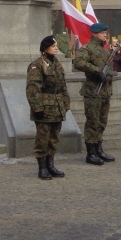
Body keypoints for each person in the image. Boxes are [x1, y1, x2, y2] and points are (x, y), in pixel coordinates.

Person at [26, 35, 71, 180]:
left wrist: (66, 102)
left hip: (57, 106)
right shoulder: (37, 65)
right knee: (42, 139)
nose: (56, 48)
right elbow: (33, 89)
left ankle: (51, 165)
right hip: (44, 108)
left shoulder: (57, 63)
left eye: (56, 45)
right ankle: (42, 167)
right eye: (53, 46)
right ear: (45, 49)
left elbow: (63, 86)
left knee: (53, 138)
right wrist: (37, 108)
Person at [73, 22, 116, 165]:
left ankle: (99, 149)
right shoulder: (87, 48)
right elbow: (78, 63)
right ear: (95, 33)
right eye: (103, 33)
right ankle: (91, 153)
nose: (105, 35)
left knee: (102, 121)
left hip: (105, 91)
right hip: (93, 90)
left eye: (105, 33)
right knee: (93, 121)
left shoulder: (105, 51)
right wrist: (96, 71)